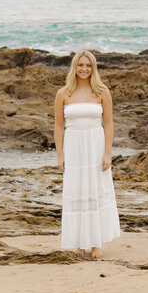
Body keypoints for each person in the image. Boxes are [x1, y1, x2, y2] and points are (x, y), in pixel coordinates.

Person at [55, 49, 121, 258]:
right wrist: (60, 155)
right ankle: (78, 243)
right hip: (73, 145)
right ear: (74, 67)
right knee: (77, 192)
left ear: (93, 68)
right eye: (80, 65)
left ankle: (95, 244)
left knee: (94, 190)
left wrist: (107, 153)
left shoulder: (102, 92)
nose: (84, 69)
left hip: (95, 144)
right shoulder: (63, 93)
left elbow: (109, 124)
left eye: (88, 65)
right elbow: (58, 126)